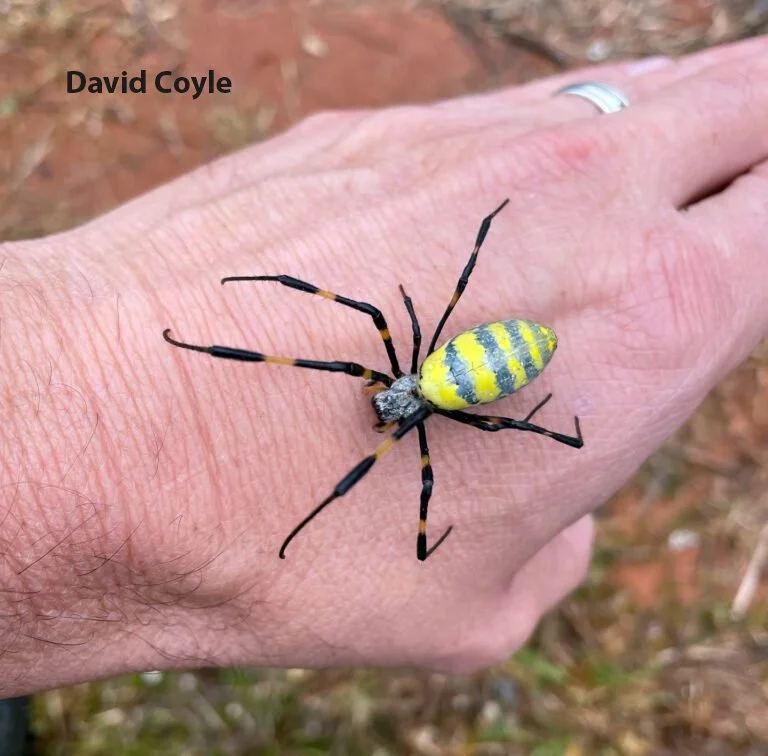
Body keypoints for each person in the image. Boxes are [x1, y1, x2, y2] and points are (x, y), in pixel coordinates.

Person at [1, 36, 766, 699]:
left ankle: (304, 497)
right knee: (370, 353)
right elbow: (360, 338)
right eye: (392, 400)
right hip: (467, 369)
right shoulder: (411, 388)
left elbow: (376, 369)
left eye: (392, 401)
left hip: (486, 364)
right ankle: (219, 363)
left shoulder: (411, 398)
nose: (386, 405)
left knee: (377, 368)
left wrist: (462, 486)